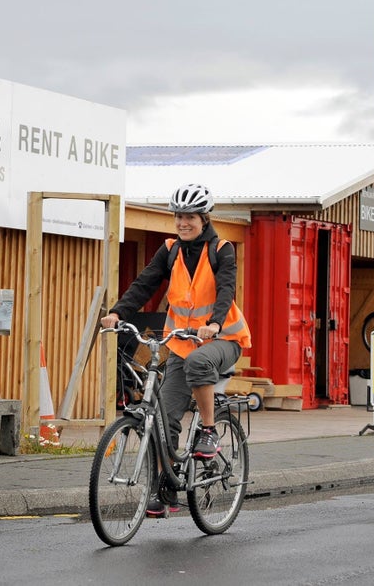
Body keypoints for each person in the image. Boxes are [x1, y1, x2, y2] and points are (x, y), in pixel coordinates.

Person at [100, 184, 251, 514]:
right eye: (179, 216)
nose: (183, 223)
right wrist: (117, 312)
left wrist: (213, 323)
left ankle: (209, 431)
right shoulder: (169, 250)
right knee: (163, 419)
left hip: (223, 339)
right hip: (180, 343)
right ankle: (165, 488)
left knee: (199, 361)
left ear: (203, 218)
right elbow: (145, 283)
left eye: (190, 217)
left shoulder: (222, 249)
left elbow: (226, 289)